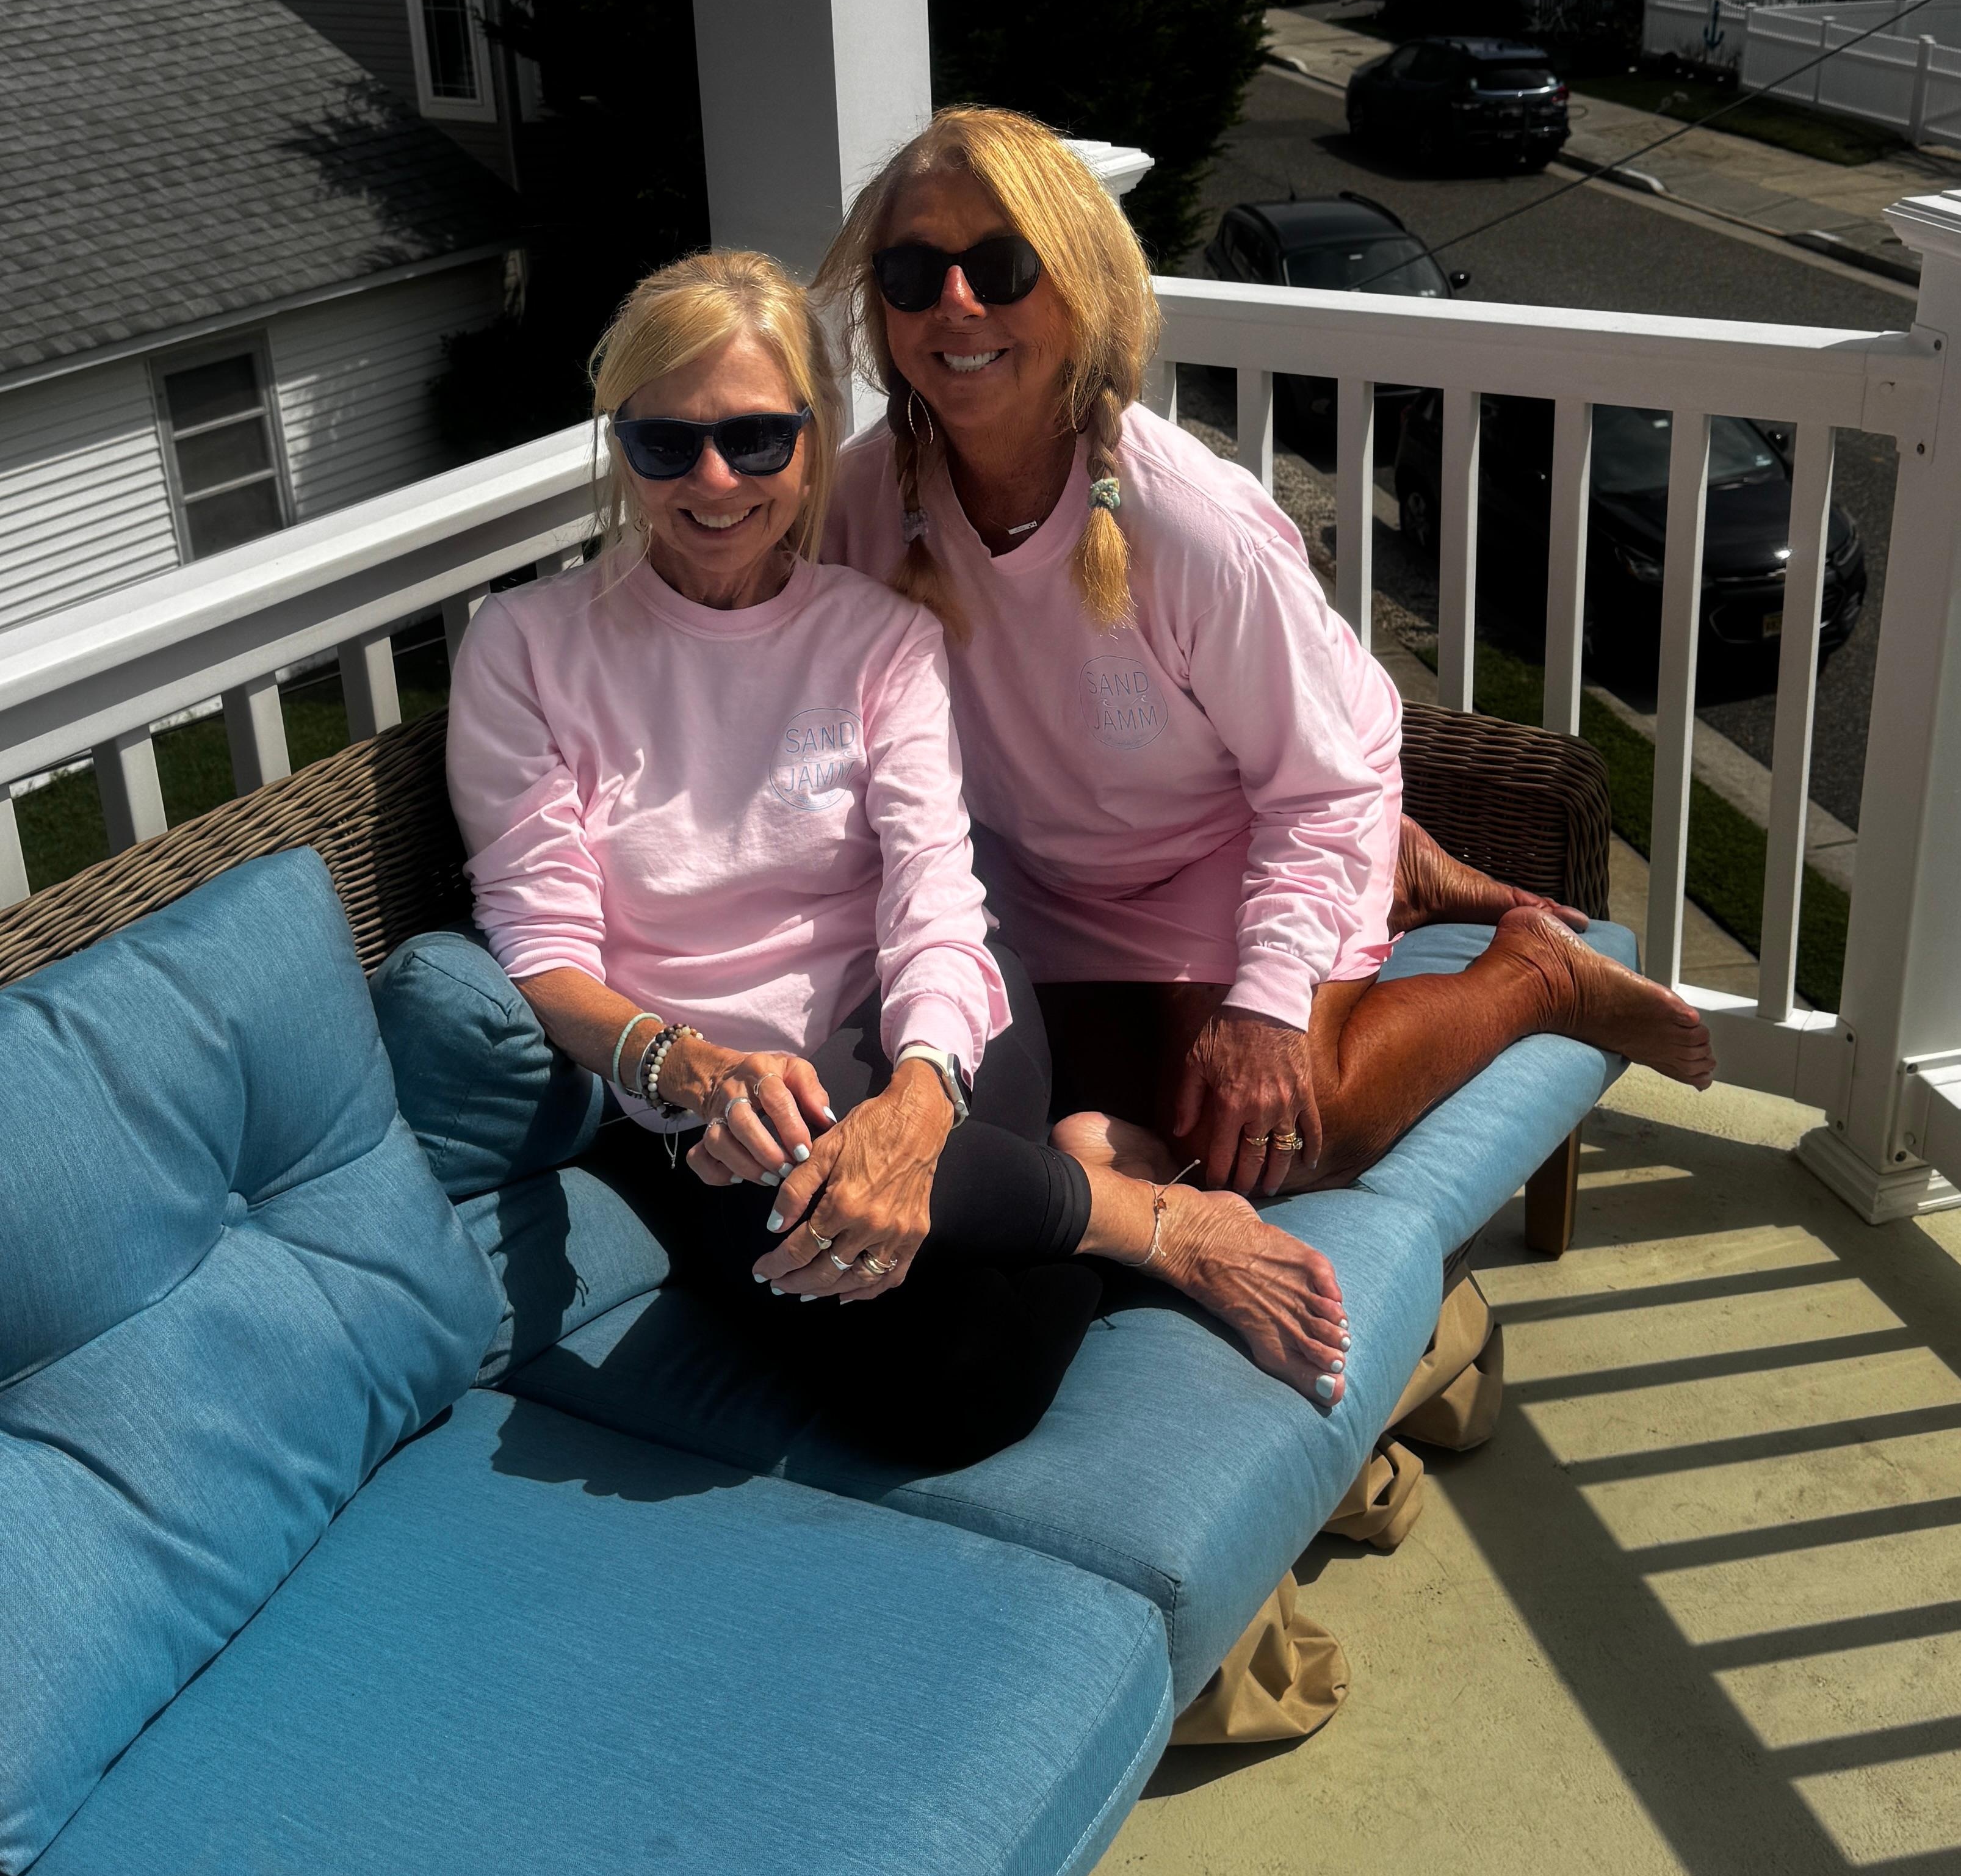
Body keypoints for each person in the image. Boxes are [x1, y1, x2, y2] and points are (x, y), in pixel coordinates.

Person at [445, 247, 1351, 1471]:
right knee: (951, 1399)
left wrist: (921, 1098)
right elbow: (540, 947)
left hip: (929, 1018)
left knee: (941, 1318)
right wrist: (687, 1065)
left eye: (757, 439)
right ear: (622, 446)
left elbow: (935, 896)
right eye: (667, 444)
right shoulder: (525, 647)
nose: (714, 481)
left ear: (812, 444)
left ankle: (1045, 1178)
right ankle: (1119, 1204)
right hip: (710, 1103)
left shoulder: (878, 634)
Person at [818, 109, 1714, 1206]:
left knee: (1273, 1140)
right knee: (1039, 1115)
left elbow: (1318, 785)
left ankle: (1533, 975)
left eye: (1001, 266)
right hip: (1037, 873)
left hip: (1243, 828)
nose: (955, 304)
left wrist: (1265, 1004)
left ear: (1083, 287)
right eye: (912, 272)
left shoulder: (1192, 526)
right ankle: (1402, 868)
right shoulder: (862, 506)